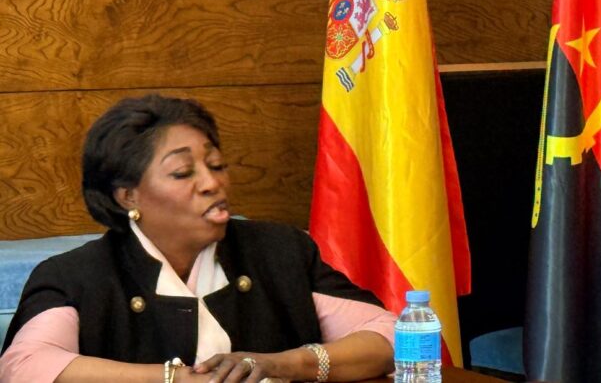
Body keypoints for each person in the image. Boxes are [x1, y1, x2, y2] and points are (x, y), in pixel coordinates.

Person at [0, 95, 396, 383]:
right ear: (128, 197)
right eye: (183, 172)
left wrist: (281, 364)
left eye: (216, 164)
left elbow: (392, 336)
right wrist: (173, 379)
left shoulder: (277, 251)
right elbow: (24, 365)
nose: (212, 183)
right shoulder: (77, 276)